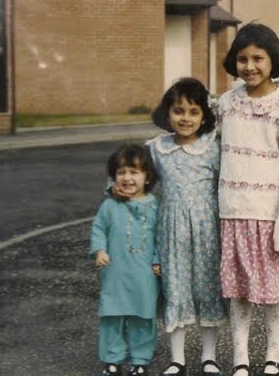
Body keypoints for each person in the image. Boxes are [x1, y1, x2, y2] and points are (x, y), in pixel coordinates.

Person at [216, 23, 279, 376]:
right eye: (242, 59)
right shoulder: (226, 104)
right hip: (234, 215)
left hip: (272, 218)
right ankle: (240, 357)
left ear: (273, 60)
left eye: (258, 58)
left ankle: (273, 354)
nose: (249, 66)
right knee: (239, 293)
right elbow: (213, 153)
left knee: (275, 294)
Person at [146, 77, 227, 376]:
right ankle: (177, 358)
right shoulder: (156, 149)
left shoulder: (212, 148)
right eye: (179, 111)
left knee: (208, 290)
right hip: (170, 231)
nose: (186, 118)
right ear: (167, 113)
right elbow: (136, 180)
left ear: (204, 116)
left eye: (194, 112)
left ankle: (209, 357)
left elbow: (226, 187)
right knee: (175, 290)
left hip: (207, 230)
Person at [89, 144, 161, 376]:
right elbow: (98, 229)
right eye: (121, 173)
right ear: (113, 177)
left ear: (147, 176)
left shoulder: (156, 205)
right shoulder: (110, 205)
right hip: (115, 273)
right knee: (113, 315)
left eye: (134, 172)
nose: (127, 178)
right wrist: (100, 250)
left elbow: (162, 237)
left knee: (143, 316)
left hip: (144, 274)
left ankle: (140, 359)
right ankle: (112, 359)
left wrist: (159, 260)